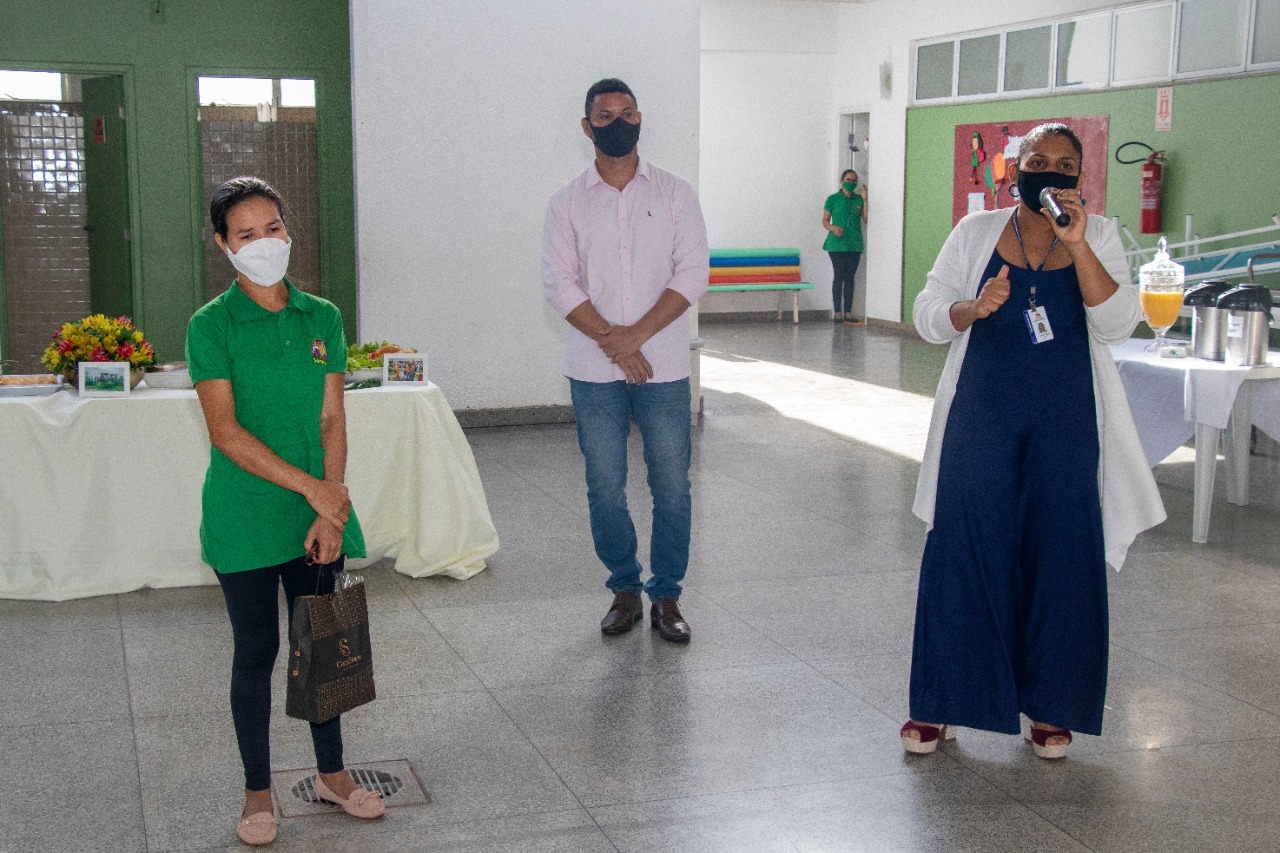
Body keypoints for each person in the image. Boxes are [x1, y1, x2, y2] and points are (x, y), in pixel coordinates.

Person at [901, 124, 1165, 759]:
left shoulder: (1097, 234)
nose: (1049, 170)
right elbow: (928, 313)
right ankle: (944, 701)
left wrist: (1077, 246)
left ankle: (1051, 705)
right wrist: (971, 307)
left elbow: (1117, 322)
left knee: (1062, 553)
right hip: (981, 413)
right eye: (1036, 160)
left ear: (1081, 175)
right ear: (1014, 168)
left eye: (1064, 163)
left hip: (1067, 419)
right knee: (965, 544)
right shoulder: (975, 234)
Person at [187, 176, 385, 846]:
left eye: (272, 227)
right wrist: (314, 490)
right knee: (257, 651)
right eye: (245, 233)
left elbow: (333, 417)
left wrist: (329, 508)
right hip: (245, 517)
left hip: (314, 516)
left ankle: (332, 773)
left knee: (321, 643)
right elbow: (227, 432)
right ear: (223, 244)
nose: (264, 242)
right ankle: (257, 793)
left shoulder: (320, 315)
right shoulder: (210, 326)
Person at [542, 78, 709, 643]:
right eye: (605, 115)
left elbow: (692, 274)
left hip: (663, 365)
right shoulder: (566, 201)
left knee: (672, 484)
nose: (618, 122)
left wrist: (634, 336)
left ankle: (666, 595)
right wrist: (613, 342)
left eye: (628, 112)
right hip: (593, 370)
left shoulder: (676, 193)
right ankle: (622, 587)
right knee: (604, 484)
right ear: (587, 127)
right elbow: (559, 283)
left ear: (641, 119)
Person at [822, 169, 868, 325]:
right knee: (839, 276)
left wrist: (865, 200)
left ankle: (848, 311)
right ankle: (837, 312)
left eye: (854, 180)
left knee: (850, 278)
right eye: (848, 179)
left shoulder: (858, 199)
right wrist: (833, 228)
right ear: (841, 181)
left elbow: (866, 219)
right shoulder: (833, 199)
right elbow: (825, 221)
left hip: (854, 243)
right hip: (836, 244)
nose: (851, 183)